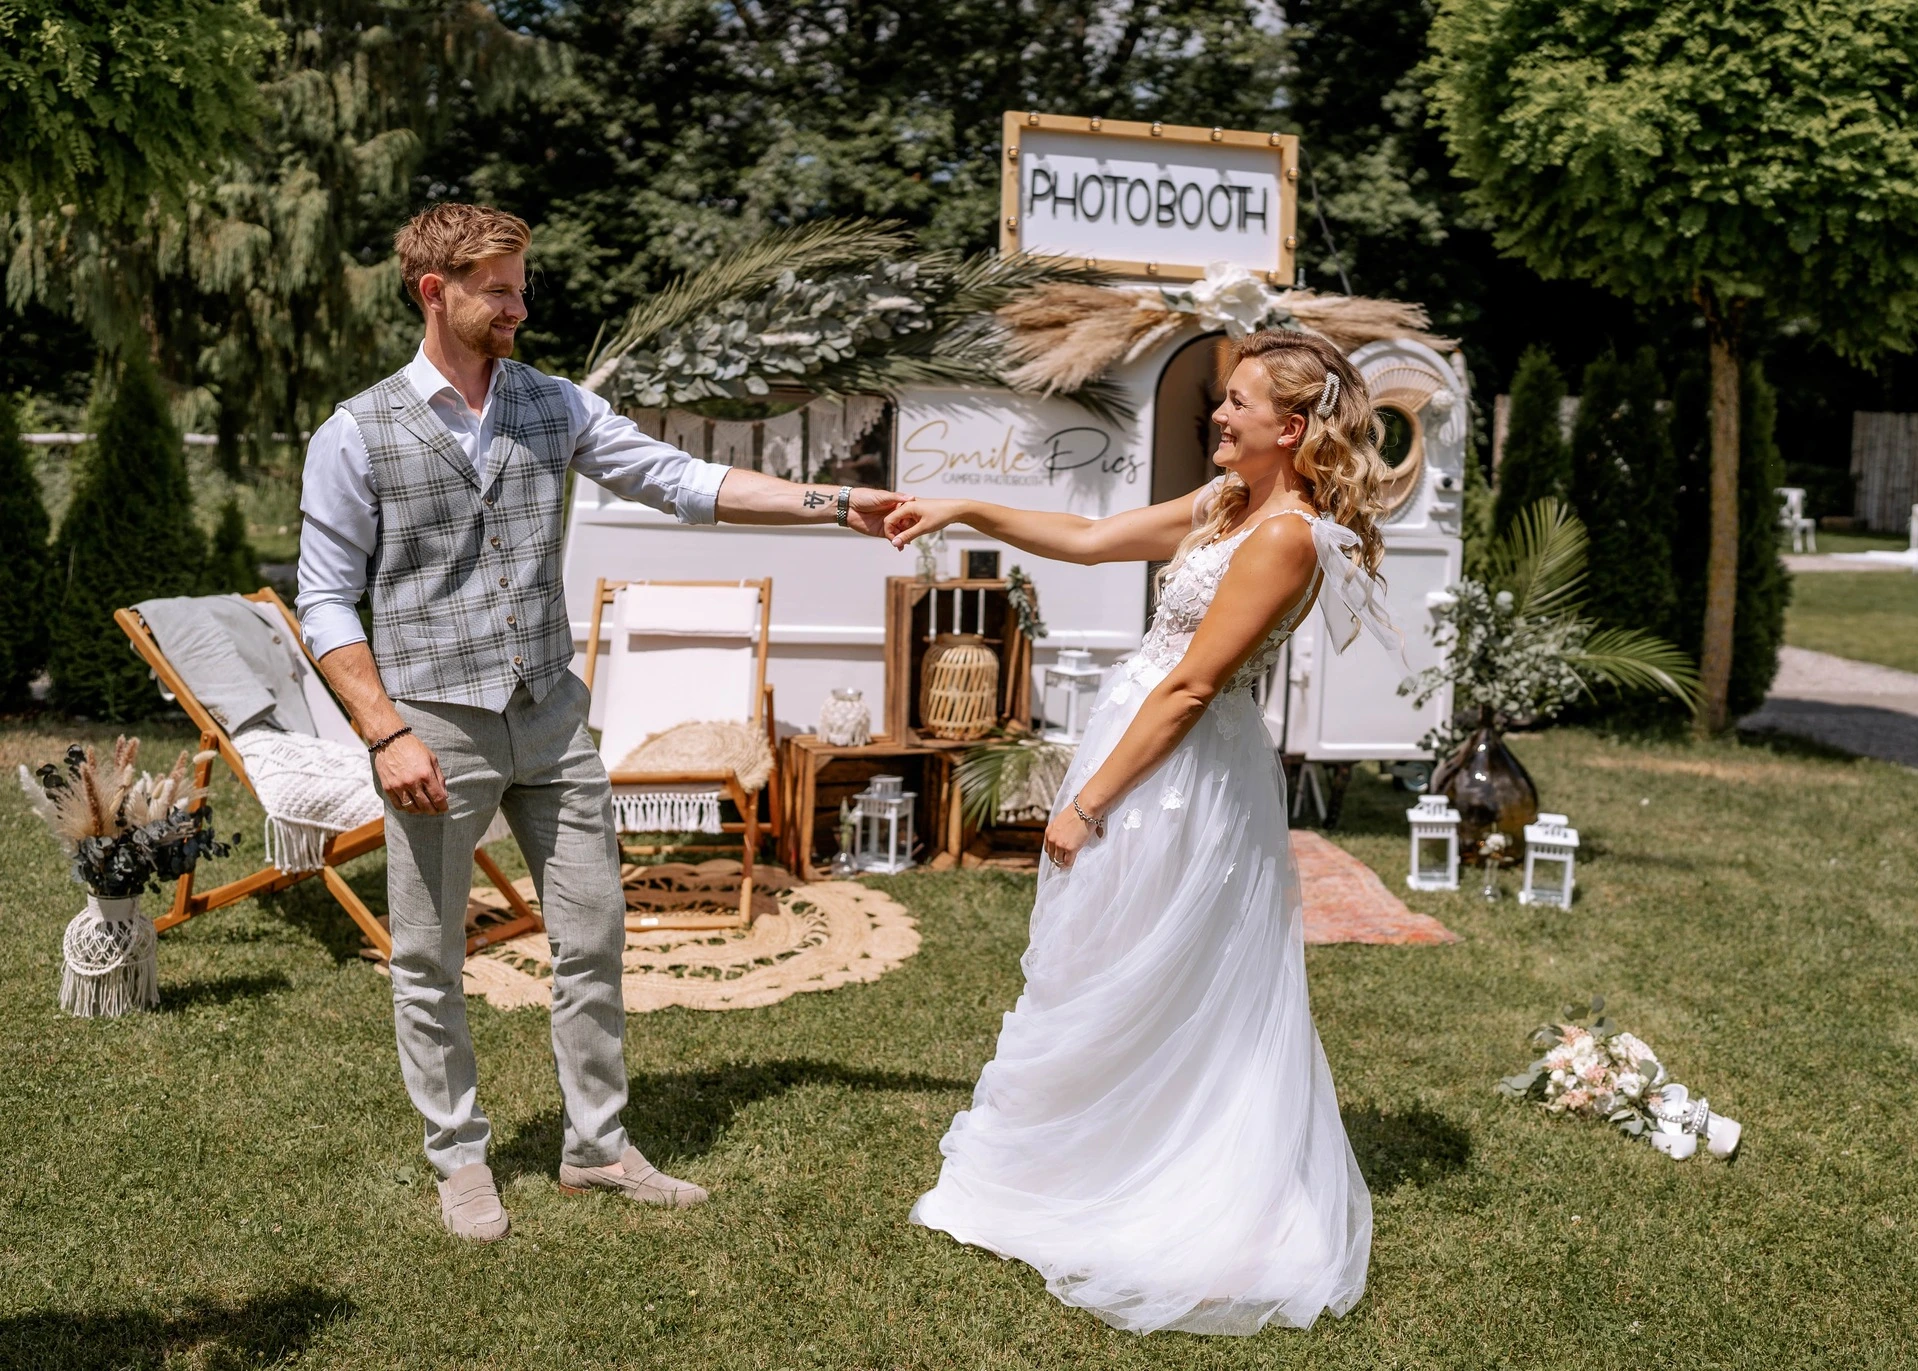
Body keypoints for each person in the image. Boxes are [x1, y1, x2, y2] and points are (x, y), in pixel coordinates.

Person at [297, 203, 901, 1242]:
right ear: (433, 292)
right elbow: (323, 599)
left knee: (594, 934)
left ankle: (597, 1149)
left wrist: (833, 507)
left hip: (551, 718)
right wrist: (386, 733)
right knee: (431, 955)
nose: (519, 306)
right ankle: (460, 1160)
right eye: (498, 289)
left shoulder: (556, 404)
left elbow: (682, 480)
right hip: (433, 727)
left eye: (522, 285)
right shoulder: (355, 432)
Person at [886, 329, 1402, 1335]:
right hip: (1144, 742)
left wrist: (1086, 806)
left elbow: (1197, 687)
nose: (1219, 414)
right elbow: (1090, 540)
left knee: (1155, 967)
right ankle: (1091, 1153)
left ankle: (1169, 1178)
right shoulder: (1224, 507)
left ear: (1289, 430)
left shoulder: (1287, 535)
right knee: (1106, 960)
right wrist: (963, 504)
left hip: (1181, 773)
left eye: (1239, 403)